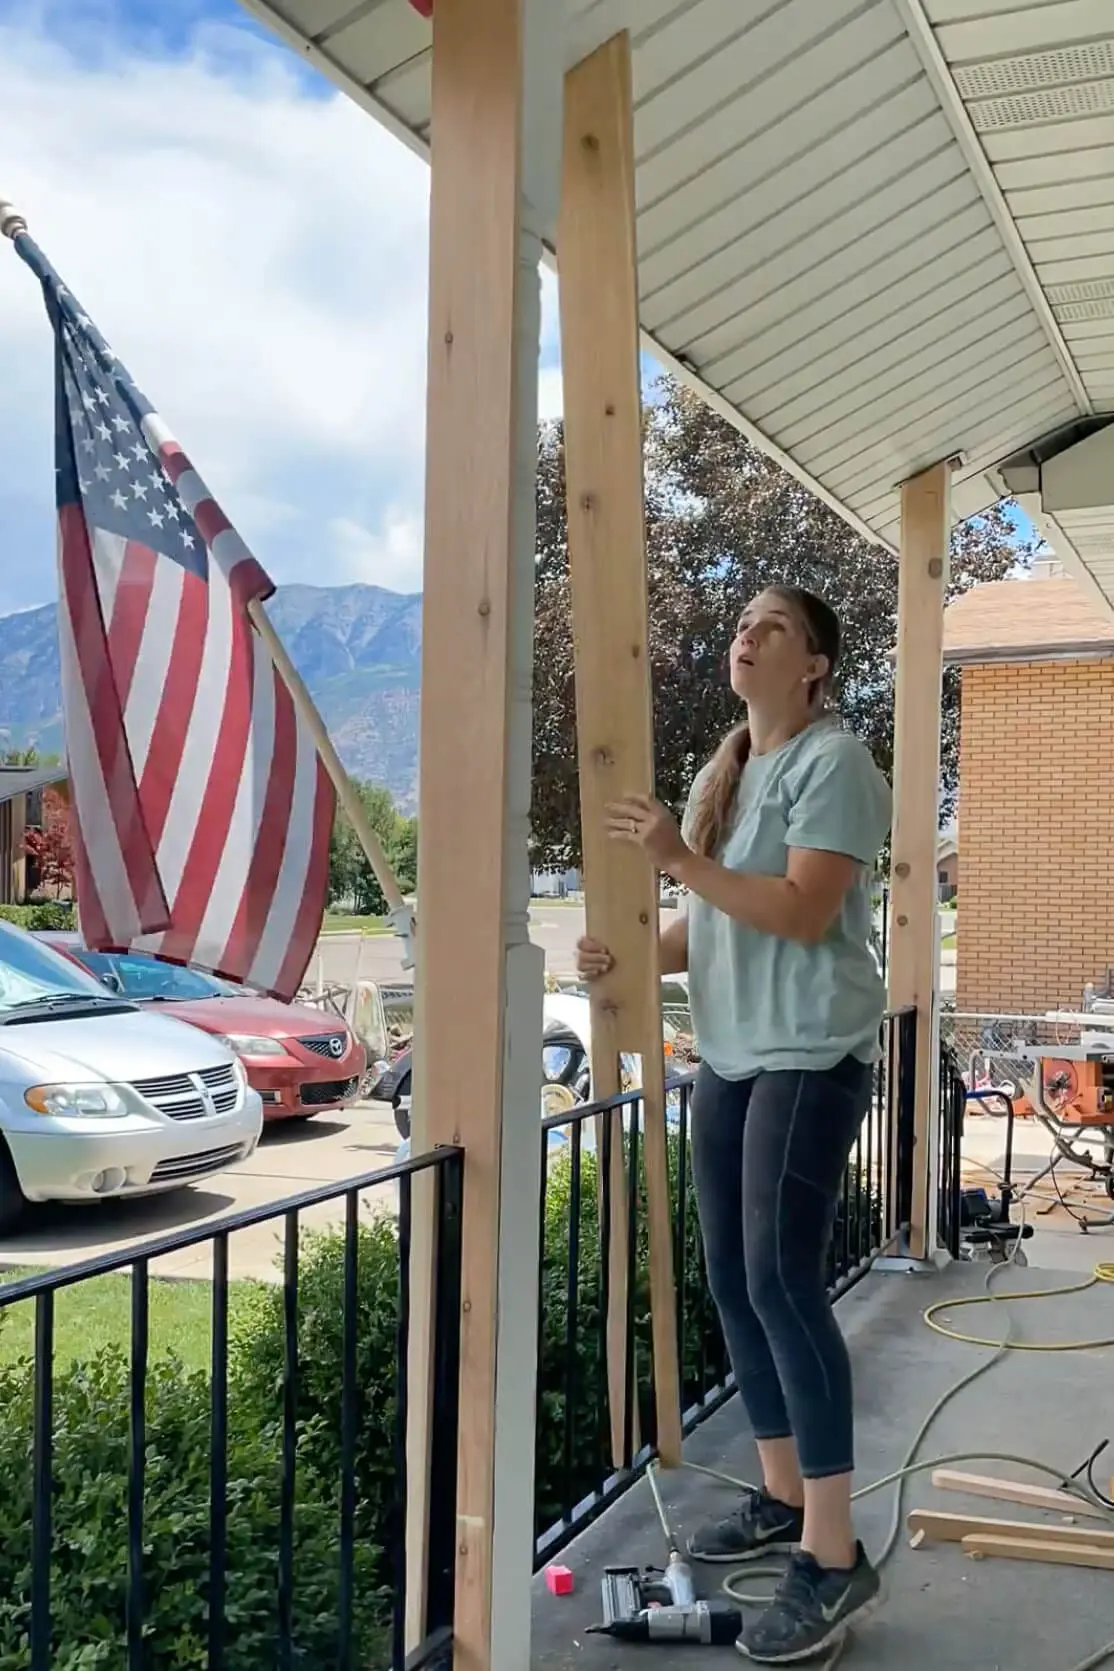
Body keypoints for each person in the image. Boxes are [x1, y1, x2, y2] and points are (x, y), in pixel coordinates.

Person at [576, 585, 892, 1665]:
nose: (744, 636)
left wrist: (674, 858)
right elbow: (712, 922)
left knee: (780, 1282)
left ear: (812, 665)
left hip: (808, 1054)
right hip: (734, 1057)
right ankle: (780, 1490)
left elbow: (802, 912)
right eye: (740, 625)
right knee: (731, 1278)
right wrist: (629, 954)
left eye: (771, 629)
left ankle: (835, 1555)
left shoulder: (832, 762)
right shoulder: (733, 770)